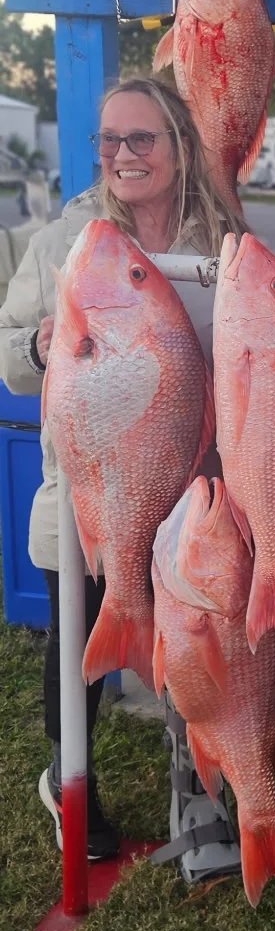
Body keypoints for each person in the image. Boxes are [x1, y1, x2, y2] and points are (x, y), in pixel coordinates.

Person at [0, 78, 245, 874]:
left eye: (142, 139)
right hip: (90, 486)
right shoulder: (63, 240)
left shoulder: (224, 238)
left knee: (196, 637)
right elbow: (8, 357)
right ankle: (72, 783)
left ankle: (199, 793)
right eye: (110, 140)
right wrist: (38, 348)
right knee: (79, 647)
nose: (122, 155)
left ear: (180, 145)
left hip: (190, 487)